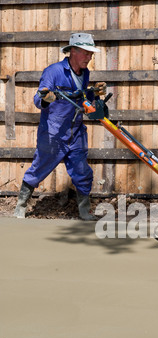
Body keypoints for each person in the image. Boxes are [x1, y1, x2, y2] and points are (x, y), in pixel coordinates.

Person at [14, 32, 107, 220]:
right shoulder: (54, 71)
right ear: (73, 51)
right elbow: (38, 99)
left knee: (82, 171)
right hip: (53, 133)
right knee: (40, 168)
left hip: (76, 131)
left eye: (91, 54)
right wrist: (46, 98)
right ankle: (21, 205)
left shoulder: (85, 73)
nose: (89, 57)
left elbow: (84, 100)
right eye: (86, 53)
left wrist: (95, 94)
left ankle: (84, 210)